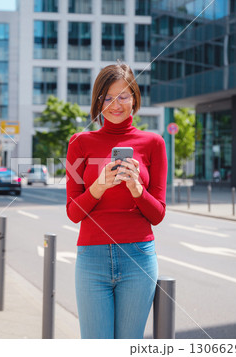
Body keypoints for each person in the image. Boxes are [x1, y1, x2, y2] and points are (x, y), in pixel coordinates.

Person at [66, 62, 168, 339]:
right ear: (98, 102)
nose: (115, 104)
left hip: (139, 257)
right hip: (92, 258)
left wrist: (137, 189)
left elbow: (157, 214)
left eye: (123, 95)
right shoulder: (79, 143)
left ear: (134, 97)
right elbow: (73, 213)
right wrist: (99, 185)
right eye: (107, 97)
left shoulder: (154, 143)